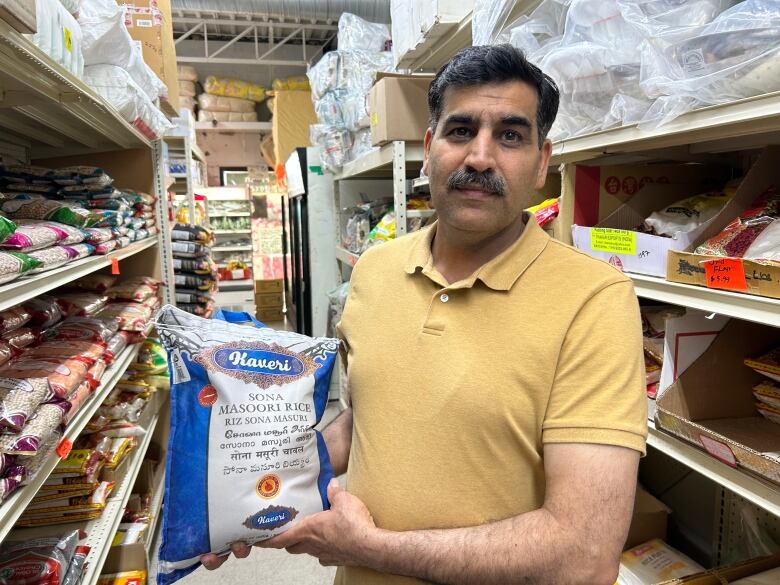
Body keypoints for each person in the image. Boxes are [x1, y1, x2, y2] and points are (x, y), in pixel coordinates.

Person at [202, 43, 647, 585]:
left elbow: (583, 552)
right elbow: (369, 421)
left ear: (541, 164)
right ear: (430, 146)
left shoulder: (594, 299)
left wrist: (371, 548)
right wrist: (242, 486)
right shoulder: (375, 269)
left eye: (510, 135)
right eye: (461, 131)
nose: (480, 157)